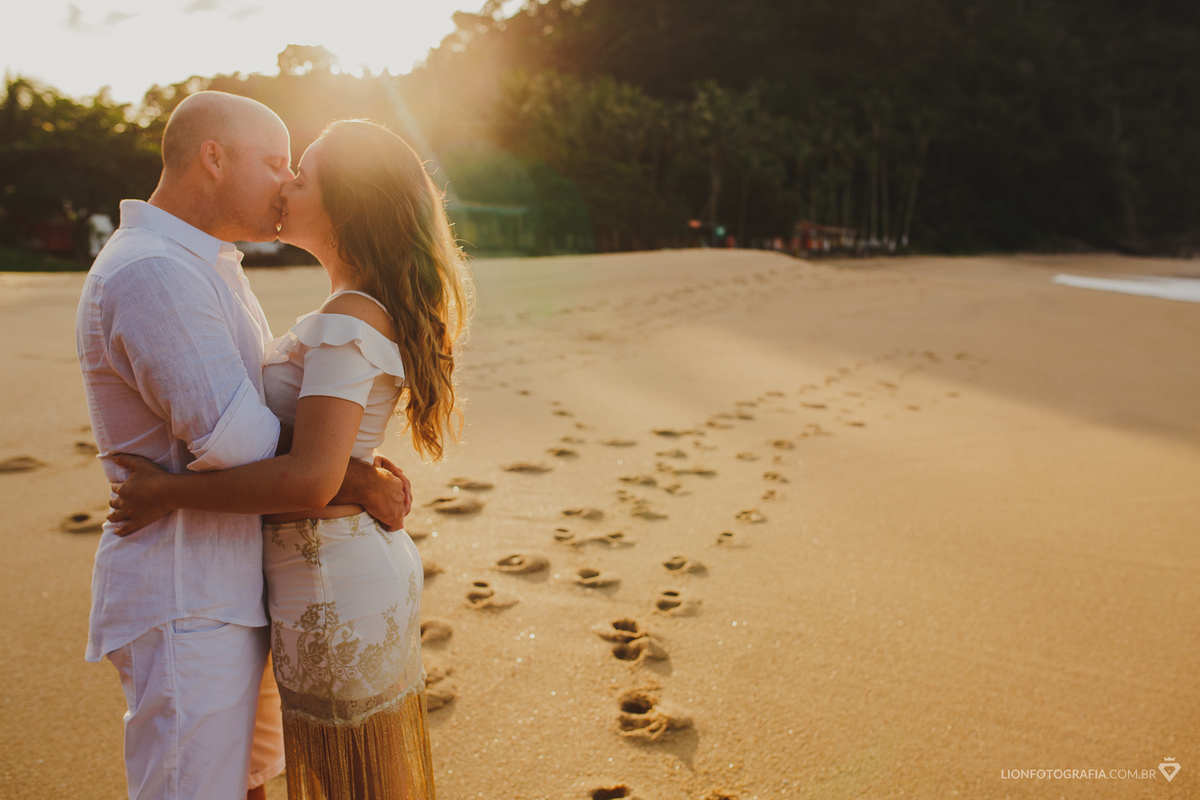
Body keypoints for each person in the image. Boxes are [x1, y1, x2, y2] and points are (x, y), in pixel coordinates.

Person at [108, 119, 471, 799]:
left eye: (300, 176)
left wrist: (167, 493)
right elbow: (327, 465)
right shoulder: (350, 312)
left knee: (360, 782)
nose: (284, 185)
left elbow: (310, 477)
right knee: (359, 776)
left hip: (331, 575)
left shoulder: (347, 319)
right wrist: (357, 476)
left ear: (344, 206)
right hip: (328, 566)